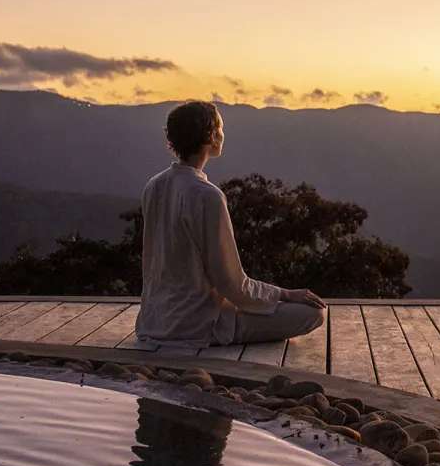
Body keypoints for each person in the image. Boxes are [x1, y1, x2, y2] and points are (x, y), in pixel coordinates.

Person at [135, 100, 326, 349]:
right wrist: (286, 293)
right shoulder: (208, 196)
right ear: (212, 137)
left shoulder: (154, 186)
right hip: (196, 326)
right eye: (221, 129)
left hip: (154, 322)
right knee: (313, 313)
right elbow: (232, 285)